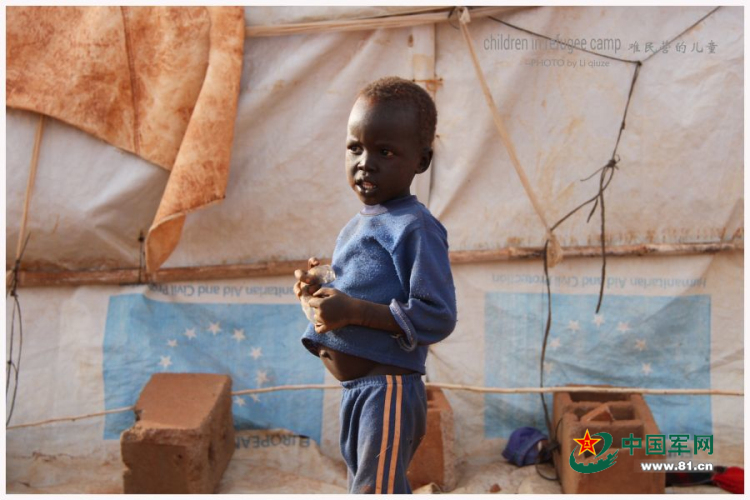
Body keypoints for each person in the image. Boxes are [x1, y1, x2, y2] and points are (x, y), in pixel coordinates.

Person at [294, 76, 457, 494]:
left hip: (387, 392)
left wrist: (353, 312)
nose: (365, 163)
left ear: (421, 160)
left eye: (385, 152)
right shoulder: (358, 224)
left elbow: (438, 316)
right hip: (358, 391)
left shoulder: (415, 227)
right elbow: (361, 284)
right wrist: (316, 287)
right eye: (355, 148)